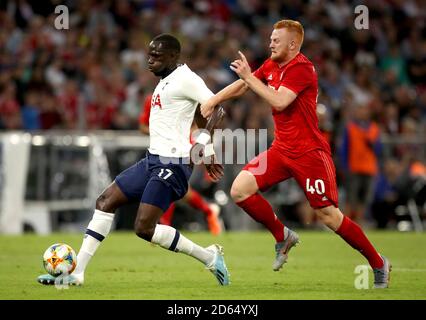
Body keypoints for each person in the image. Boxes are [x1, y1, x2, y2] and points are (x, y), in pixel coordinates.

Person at [201, 20, 391, 288]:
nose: (270, 43)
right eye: (270, 39)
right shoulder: (272, 64)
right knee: (240, 190)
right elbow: (245, 86)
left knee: (329, 216)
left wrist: (248, 77)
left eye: (275, 40)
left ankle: (378, 262)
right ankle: (283, 236)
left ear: (292, 44)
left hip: (309, 153)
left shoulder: (302, 68)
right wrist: (212, 101)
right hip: (281, 150)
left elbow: (278, 100)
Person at [37, 34, 230, 286]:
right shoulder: (165, 80)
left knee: (144, 228)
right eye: (149, 55)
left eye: (156, 56)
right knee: (105, 201)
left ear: (173, 56)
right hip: (152, 160)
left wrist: (206, 147)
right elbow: (200, 114)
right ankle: (77, 273)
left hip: (173, 164)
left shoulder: (187, 79)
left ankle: (208, 256)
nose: (150, 61)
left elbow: (217, 108)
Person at [139, 94, 223, 235]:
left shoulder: (187, 93)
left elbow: (204, 121)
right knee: (174, 188)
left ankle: (162, 227)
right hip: (162, 149)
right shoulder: (152, 99)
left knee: (168, 184)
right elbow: (142, 127)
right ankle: (208, 210)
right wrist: (161, 133)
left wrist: (208, 156)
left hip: (186, 146)